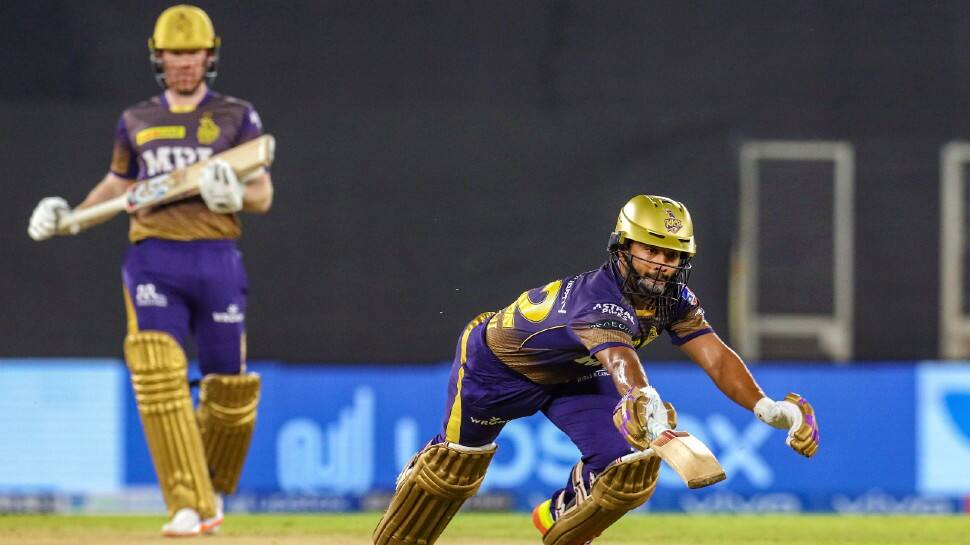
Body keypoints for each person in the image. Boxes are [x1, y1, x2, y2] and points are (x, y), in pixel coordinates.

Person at [373, 195, 819, 545]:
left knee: (626, 466)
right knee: (452, 472)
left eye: (673, 255)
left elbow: (716, 356)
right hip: (498, 369)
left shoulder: (674, 300)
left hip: (575, 375)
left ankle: (559, 512)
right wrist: (641, 401)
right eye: (651, 250)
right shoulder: (598, 301)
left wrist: (769, 408)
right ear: (623, 247)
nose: (662, 263)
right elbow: (619, 359)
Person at [27, 5, 272, 537]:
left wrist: (238, 193)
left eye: (192, 52)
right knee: (159, 376)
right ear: (158, 58)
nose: (183, 62)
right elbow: (117, 189)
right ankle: (186, 503)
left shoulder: (237, 116)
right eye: (173, 53)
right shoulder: (135, 120)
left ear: (210, 55)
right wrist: (69, 217)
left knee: (229, 391)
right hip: (154, 259)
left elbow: (262, 192)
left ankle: (206, 493)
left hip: (217, 258)